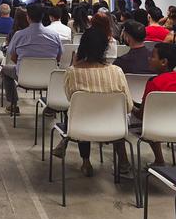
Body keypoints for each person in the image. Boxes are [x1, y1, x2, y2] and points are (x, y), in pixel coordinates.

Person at [51, 27, 131, 175]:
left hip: (82, 125)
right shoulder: (117, 71)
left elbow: (70, 98)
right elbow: (128, 105)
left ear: (82, 47)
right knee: (113, 114)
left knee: (79, 112)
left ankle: (86, 162)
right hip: (114, 126)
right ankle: (123, 161)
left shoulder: (72, 72)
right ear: (105, 48)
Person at [132, 43, 176, 166]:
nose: (149, 59)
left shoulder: (154, 83)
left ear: (163, 62)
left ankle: (159, 160)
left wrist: (131, 107)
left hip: (155, 128)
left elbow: (142, 115)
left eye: (152, 56)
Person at [1, 4, 62, 116]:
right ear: (43, 16)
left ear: (28, 17)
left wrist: (26, 66)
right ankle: (51, 107)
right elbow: (58, 57)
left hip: (23, 76)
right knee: (58, 73)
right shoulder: (54, 35)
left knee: (5, 70)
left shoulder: (19, 35)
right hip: (48, 77)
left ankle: (13, 105)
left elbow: (12, 56)